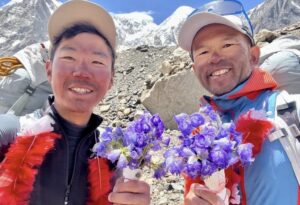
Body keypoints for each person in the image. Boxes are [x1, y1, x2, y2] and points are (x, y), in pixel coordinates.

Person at [0, 1, 150, 205]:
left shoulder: (115, 157)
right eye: (69, 57)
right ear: (49, 69)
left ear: (112, 79)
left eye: (97, 62)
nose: (82, 72)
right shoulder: (7, 134)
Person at [177, 0, 300, 204]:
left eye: (226, 45)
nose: (214, 58)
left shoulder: (290, 111)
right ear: (194, 69)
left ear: (253, 56)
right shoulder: (198, 136)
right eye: (203, 52)